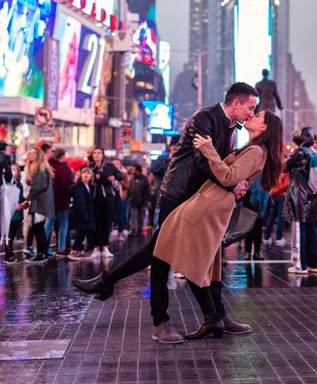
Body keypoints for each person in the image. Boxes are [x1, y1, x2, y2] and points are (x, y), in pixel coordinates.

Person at [73, 82, 258, 344]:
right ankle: (162, 321)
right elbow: (204, 162)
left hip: (200, 198)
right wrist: (231, 182)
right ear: (236, 103)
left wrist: (235, 181)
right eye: (250, 108)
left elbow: (221, 166)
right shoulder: (203, 119)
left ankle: (215, 315)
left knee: (206, 255)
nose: (251, 114)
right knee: (161, 256)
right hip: (177, 195)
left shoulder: (231, 129)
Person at [153, 110, 283, 340]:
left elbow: (227, 176)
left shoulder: (255, 151)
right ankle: (215, 317)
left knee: (174, 254)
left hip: (209, 206)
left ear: (264, 128)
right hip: (211, 205)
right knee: (203, 264)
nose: (252, 114)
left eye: (257, 114)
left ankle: (208, 318)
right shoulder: (251, 147)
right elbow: (232, 177)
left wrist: (208, 148)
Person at [283, 127, 317, 274]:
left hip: (298, 198)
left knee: (298, 230)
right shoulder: (314, 154)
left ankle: (299, 265)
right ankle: (314, 264)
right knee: (311, 229)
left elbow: (284, 167)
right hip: (311, 197)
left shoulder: (299, 153)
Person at [88, 147, 123, 258]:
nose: (97, 155)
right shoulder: (90, 167)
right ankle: (96, 247)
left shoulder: (109, 166)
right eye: (95, 153)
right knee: (95, 222)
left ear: (103, 155)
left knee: (107, 222)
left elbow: (121, 176)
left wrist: (113, 177)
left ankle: (105, 247)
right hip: (94, 197)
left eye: (99, 153)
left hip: (108, 197)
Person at [24, 147, 55, 264]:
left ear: (39, 155)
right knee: (39, 229)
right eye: (30, 153)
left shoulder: (39, 168)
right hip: (41, 202)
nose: (32, 155)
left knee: (39, 230)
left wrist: (27, 199)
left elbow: (37, 187)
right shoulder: (41, 168)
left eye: (34, 153)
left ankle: (41, 254)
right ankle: (42, 253)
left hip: (39, 203)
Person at [45, 148, 73, 257]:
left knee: (48, 224)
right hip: (62, 199)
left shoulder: (48, 166)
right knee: (63, 224)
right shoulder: (62, 167)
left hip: (50, 200)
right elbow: (65, 185)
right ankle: (61, 248)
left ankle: (42, 246)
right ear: (62, 156)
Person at [69, 166, 95, 259]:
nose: (86, 175)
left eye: (88, 173)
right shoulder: (79, 186)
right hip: (80, 214)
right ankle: (74, 250)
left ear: (91, 176)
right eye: (84, 173)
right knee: (81, 233)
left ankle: (80, 250)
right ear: (81, 175)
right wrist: (85, 215)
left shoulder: (88, 186)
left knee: (82, 232)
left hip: (86, 213)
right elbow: (80, 202)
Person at [4, 164, 28, 263]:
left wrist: (25, 203)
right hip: (9, 215)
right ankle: (8, 256)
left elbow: (20, 198)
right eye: (11, 169)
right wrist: (14, 206)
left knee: (12, 236)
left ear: (18, 172)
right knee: (8, 237)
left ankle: (10, 254)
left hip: (18, 215)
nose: (13, 171)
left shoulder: (19, 185)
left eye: (15, 169)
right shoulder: (6, 184)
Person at [243, 176, 269, 261]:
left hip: (262, 196)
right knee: (249, 226)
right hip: (250, 194)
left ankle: (257, 251)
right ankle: (248, 251)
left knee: (258, 226)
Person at [263, 168, 289, 246]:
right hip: (281, 196)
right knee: (281, 217)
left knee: (272, 217)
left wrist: (273, 191)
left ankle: (266, 237)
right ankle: (279, 238)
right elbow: (285, 184)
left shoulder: (273, 169)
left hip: (273, 196)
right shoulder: (285, 170)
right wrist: (276, 190)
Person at [128, 164, 151, 234]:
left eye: (133, 169)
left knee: (141, 216)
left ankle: (140, 229)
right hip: (133, 201)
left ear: (137, 170)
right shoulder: (132, 178)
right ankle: (134, 229)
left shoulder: (144, 179)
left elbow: (147, 190)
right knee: (133, 216)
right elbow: (130, 189)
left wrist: (146, 200)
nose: (132, 171)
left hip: (142, 201)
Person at [112, 157, 129, 243]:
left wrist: (121, 182)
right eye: (114, 164)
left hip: (120, 196)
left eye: (117, 164)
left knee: (121, 216)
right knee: (111, 215)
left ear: (120, 164)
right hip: (110, 196)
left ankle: (120, 234)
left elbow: (127, 186)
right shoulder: (109, 173)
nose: (115, 165)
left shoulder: (124, 173)